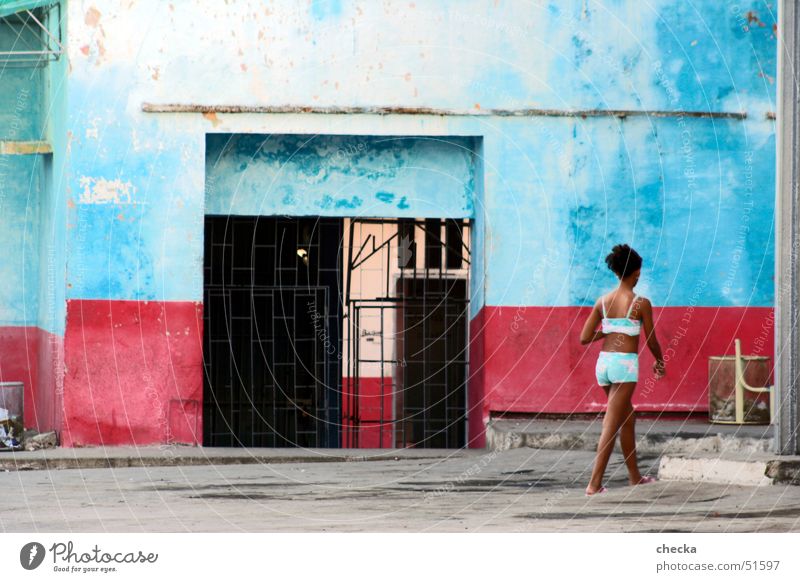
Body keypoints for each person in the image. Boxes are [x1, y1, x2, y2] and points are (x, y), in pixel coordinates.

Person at [579, 244, 665, 496]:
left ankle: (635, 477)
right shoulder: (641, 304)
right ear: (637, 273)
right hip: (624, 366)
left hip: (604, 364)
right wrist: (660, 361)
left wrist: (606, 331)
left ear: (617, 272)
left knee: (627, 418)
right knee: (611, 423)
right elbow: (652, 340)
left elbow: (584, 337)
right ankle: (594, 485)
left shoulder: (602, 302)